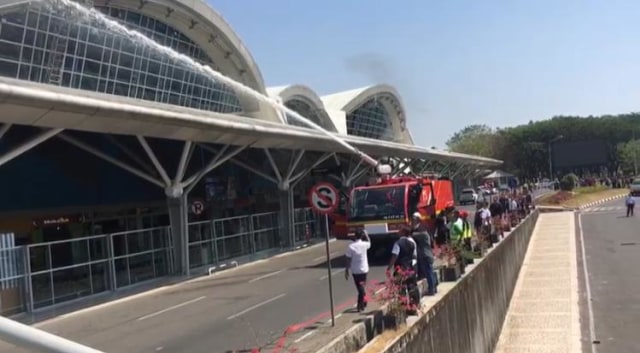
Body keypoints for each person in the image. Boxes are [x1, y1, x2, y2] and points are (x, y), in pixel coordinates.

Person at [388, 225, 420, 309]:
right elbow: (413, 255)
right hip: (410, 268)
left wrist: (389, 268)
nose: (398, 232)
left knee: (400, 288)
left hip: (400, 269)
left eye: (400, 231)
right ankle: (415, 305)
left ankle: (403, 306)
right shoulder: (411, 243)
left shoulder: (397, 243)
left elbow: (394, 256)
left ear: (403, 233)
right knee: (411, 287)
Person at [410, 212, 437, 295]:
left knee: (429, 272)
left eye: (414, 219)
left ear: (418, 219)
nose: (412, 221)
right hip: (424, 254)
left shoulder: (421, 229)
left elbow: (413, 235)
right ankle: (434, 287)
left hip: (426, 254)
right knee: (429, 271)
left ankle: (432, 289)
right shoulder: (419, 228)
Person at [345, 228, 371, 312]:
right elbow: (369, 242)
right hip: (364, 269)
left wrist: (346, 270)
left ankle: (360, 304)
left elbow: (348, 259)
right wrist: (366, 234)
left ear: (355, 236)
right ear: (362, 236)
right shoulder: (364, 244)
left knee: (360, 287)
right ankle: (364, 300)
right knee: (362, 286)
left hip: (355, 270)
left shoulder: (351, 246)